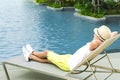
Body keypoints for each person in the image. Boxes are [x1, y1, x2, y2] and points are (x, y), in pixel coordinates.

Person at [22, 25, 118, 71]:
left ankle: (32, 52)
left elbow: (99, 40)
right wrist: (107, 36)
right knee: (49, 60)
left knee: (47, 53)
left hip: (68, 64)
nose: (93, 34)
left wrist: (102, 37)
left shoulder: (95, 43)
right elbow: (115, 33)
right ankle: (30, 56)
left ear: (97, 37)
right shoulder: (99, 44)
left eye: (95, 33)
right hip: (70, 59)